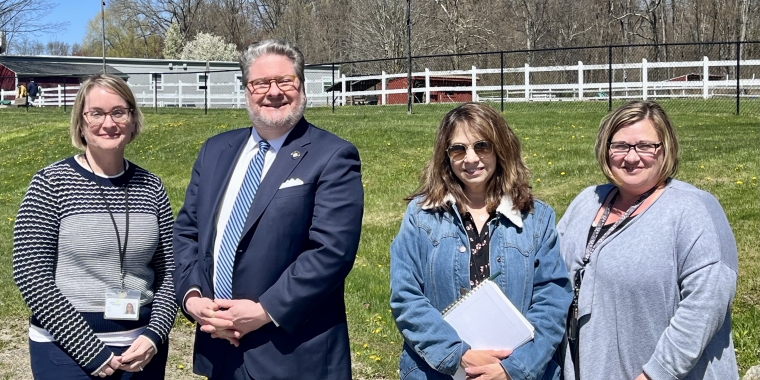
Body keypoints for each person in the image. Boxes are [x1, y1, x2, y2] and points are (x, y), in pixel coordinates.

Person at [173, 39, 364, 380]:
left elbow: (331, 252)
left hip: (292, 354)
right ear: (247, 89)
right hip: (220, 348)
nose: (273, 92)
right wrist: (192, 299)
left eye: (285, 81)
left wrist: (263, 311)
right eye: (261, 83)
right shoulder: (215, 151)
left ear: (301, 85)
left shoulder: (332, 156)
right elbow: (187, 232)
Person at [390, 102, 572, 380]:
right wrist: (457, 354)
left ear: (500, 148)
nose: (471, 158)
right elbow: (405, 296)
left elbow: (552, 298)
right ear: (446, 156)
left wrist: (513, 369)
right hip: (438, 372)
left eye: (482, 146)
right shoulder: (420, 216)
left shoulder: (537, 218)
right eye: (458, 149)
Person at [559, 100, 739, 380]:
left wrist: (656, 374)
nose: (631, 157)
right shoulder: (587, 201)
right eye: (620, 146)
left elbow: (705, 305)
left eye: (645, 146)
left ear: (665, 149)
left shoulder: (694, 209)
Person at [13, 73, 177, 379]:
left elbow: (171, 271)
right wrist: (90, 351)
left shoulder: (152, 187)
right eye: (96, 113)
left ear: (132, 120)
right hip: (64, 351)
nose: (109, 123)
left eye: (119, 112)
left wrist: (154, 336)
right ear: (80, 123)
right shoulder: (51, 183)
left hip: (141, 351)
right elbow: (30, 273)